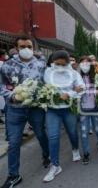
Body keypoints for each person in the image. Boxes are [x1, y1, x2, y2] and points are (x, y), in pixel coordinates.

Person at [0, 36, 50, 188]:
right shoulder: (7, 66)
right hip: (15, 110)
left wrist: (45, 95)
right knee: (14, 142)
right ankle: (14, 175)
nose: (26, 49)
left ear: (33, 48)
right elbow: (2, 86)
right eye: (22, 46)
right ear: (16, 48)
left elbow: (46, 83)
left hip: (36, 109)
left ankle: (46, 155)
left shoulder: (41, 64)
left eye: (29, 46)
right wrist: (12, 96)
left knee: (41, 134)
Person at [43, 50, 85, 182]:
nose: (59, 66)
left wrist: (70, 94)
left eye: (63, 64)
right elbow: (48, 88)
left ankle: (75, 149)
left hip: (69, 109)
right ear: (52, 63)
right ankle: (55, 165)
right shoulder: (48, 71)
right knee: (53, 136)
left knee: (72, 132)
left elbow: (81, 87)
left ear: (67, 63)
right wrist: (69, 91)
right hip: (52, 110)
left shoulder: (73, 73)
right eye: (57, 64)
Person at [78, 56, 98, 165]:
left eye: (87, 63)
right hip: (83, 109)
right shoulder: (77, 77)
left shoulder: (96, 76)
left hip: (95, 108)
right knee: (84, 132)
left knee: (97, 129)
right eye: (82, 63)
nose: (85, 65)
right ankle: (86, 154)